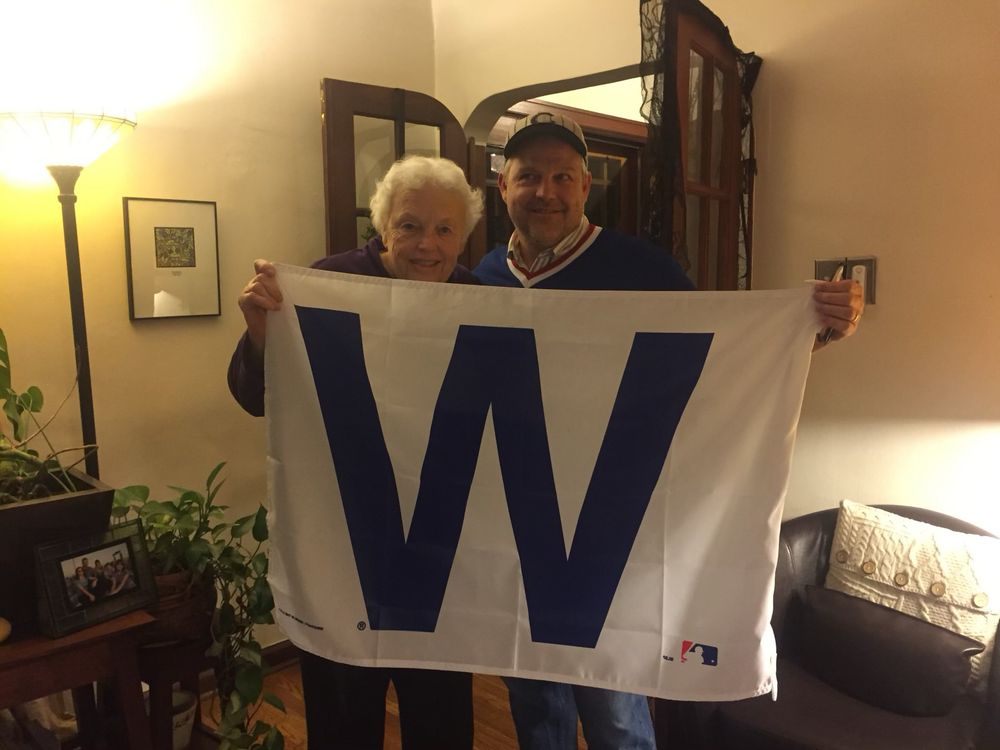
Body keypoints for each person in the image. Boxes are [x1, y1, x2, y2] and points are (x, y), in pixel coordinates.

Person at [473, 112, 864, 750]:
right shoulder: (482, 277)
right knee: (535, 706)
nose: (547, 191)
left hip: (609, 530)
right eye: (530, 176)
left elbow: (719, 354)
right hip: (519, 527)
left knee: (616, 711)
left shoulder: (638, 267)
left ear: (584, 187)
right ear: (503, 188)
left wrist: (811, 331)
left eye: (564, 177)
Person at [227, 155, 483, 750]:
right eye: (410, 225)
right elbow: (253, 399)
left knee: (442, 721)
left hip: (438, 557)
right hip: (341, 551)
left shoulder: (479, 299)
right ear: (383, 226)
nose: (427, 244)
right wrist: (261, 337)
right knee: (344, 721)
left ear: (463, 237)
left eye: (445, 229)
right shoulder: (328, 285)